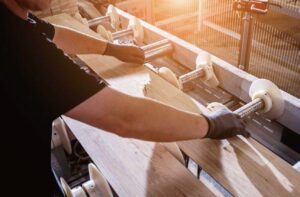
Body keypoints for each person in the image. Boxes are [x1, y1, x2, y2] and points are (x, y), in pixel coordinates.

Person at [0, 0, 249, 196]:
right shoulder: (18, 45)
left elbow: (52, 33)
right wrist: (211, 124)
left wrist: (112, 49)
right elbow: (124, 117)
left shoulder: (15, 17)